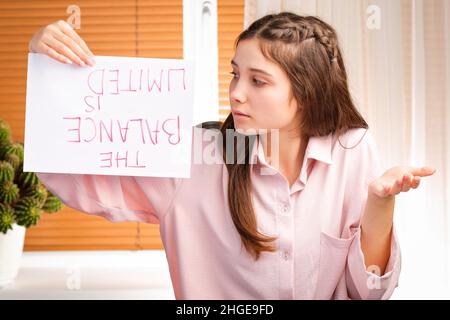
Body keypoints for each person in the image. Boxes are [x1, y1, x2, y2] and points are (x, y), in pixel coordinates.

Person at [29, 12, 435, 299]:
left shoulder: (352, 148)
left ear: (308, 93)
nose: (236, 92)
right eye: (235, 74)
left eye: (258, 80)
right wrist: (46, 68)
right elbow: (64, 169)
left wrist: (380, 205)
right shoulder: (192, 156)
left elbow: (368, 292)